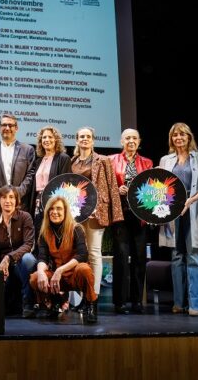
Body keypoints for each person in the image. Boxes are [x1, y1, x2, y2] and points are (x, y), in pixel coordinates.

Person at [159, 122, 198, 316]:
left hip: (194, 207)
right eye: (175, 135)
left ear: (189, 137)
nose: (179, 138)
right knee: (176, 256)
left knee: (194, 255)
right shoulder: (166, 160)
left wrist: (189, 201)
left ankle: (196, 304)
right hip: (173, 211)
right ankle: (178, 302)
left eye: (182, 134)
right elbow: (160, 186)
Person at [70, 126, 123, 312]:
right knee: (81, 255)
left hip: (96, 212)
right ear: (77, 140)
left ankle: (93, 297)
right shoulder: (73, 162)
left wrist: (114, 213)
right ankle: (84, 297)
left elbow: (112, 186)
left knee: (94, 253)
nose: (84, 139)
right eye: (81, 136)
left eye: (88, 137)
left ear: (93, 140)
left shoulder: (103, 160)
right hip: (77, 214)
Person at [29, 196, 98, 324]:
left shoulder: (76, 228)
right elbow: (42, 257)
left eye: (59, 208)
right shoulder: (45, 232)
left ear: (66, 211)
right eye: (52, 209)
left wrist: (60, 270)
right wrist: (41, 272)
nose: (55, 212)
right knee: (34, 277)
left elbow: (83, 255)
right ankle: (53, 303)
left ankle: (91, 306)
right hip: (57, 279)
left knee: (84, 269)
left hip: (74, 274)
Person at [108, 128, 153, 314]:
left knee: (139, 259)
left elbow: (151, 189)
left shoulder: (148, 162)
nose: (131, 141)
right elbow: (107, 186)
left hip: (140, 216)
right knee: (120, 257)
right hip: (120, 214)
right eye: (127, 138)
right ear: (121, 141)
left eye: (134, 138)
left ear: (139, 141)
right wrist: (117, 189)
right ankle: (119, 302)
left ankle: (136, 301)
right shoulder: (111, 161)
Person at [0, 185, 37, 318]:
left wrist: (9, 258)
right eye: (4, 197)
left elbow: (28, 244)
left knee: (29, 259)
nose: (7, 201)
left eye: (11, 197)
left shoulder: (25, 217)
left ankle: (28, 304)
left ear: (17, 200)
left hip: (19, 261)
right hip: (2, 265)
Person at [0, 114, 36, 207]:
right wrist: (0, 194)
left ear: (16, 128)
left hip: (20, 204)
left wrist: (17, 194)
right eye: (4, 125)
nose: (7, 128)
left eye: (11, 125)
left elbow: (31, 175)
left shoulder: (28, 150)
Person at [30, 125, 72, 227]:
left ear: (56, 140)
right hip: (38, 201)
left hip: (54, 202)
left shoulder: (63, 158)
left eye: (50, 137)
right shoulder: (38, 161)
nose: (47, 140)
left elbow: (65, 185)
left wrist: (57, 205)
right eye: (44, 137)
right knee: (39, 232)